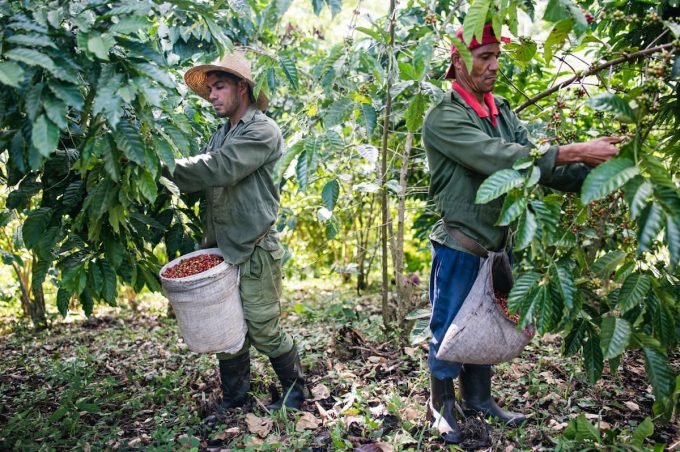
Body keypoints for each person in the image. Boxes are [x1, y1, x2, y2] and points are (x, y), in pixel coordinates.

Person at [422, 23, 622, 443]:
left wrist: (598, 173)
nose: (494, 65)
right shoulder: (444, 117)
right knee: (449, 325)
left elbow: (537, 168)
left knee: (487, 320)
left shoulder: (501, 111)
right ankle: (441, 406)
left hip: (497, 247)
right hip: (461, 245)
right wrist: (577, 149)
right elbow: (498, 158)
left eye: (497, 56)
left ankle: (479, 399)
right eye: (484, 57)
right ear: (458, 61)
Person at [164, 52, 308, 413]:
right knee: (227, 331)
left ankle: (296, 392)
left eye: (220, 87)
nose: (212, 95)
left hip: (255, 247)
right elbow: (204, 174)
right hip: (220, 249)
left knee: (263, 328)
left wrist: (158, 166)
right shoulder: (220, 133)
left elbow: (220, 168)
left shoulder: (262, 130)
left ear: (242, 88)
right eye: (210, 88)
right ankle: (234, 400)